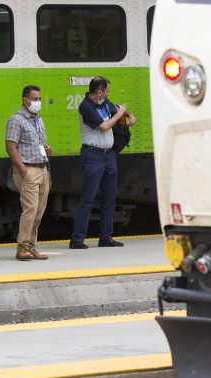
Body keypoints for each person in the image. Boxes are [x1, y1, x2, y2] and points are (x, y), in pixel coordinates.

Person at [69, 77, 137, 249]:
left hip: (109, 155)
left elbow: (117, 109)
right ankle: (77, 239)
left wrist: (129, 115)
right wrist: (120, 114)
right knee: (88, 198)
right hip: (93, 155)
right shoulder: (86, 107)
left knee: (110, 197)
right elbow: (105, 126)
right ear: (99, 92)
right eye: (106, 91)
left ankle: (105, 237)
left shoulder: (104, 102)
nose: (107, 95)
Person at [6, 85, 53, 260]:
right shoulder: (16, 120)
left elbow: (39, 143)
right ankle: (22, 247)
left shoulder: (38, 120)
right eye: (35, 99)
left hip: (43, 169)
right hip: (29, 170)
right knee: (30, 209)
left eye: (39, 99)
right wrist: (23, 170)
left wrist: (46, 150)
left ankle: (31, 247)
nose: (38, 102)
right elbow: (10, 146)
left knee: (39, 210)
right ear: (25, 100)